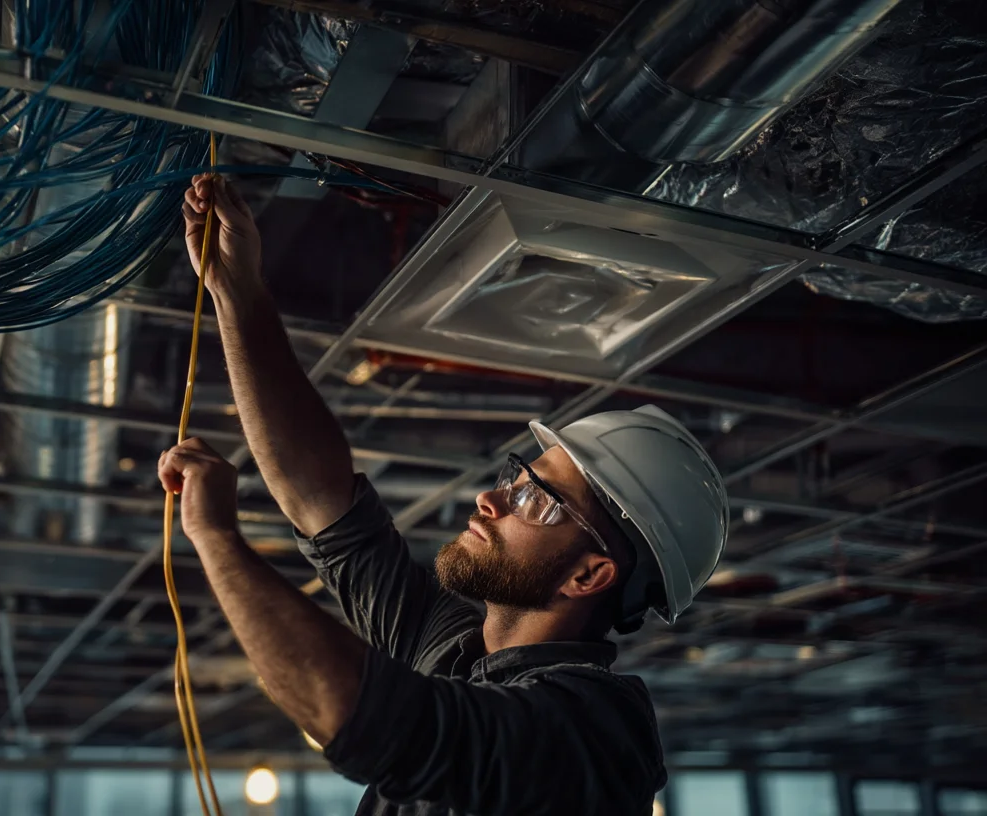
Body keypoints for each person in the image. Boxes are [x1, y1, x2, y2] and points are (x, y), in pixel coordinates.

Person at [159, 175, 730, 816]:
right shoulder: (456, 647)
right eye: (518, 477)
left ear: (592, 573)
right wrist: (237, 293)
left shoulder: (594, 732)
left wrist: (217, 540)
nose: (493, 499)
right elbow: (329, 509)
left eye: (538, 499)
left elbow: (362, 718)